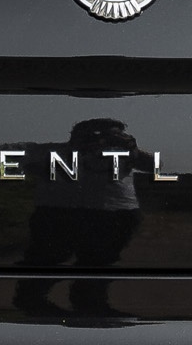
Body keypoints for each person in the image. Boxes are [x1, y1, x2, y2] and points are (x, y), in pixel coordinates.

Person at [9, 117, 144, 318]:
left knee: (99, 262)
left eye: (112, 134)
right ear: (75, 135)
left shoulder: (126, 152)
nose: (102, 139)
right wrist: (75, 153)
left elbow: (155, 166)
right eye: (95, 134)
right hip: (60, 211)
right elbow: (23, 165)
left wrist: (132, 148)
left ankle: (90, 303)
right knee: (48, 259)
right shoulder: (51, 150)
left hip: (115, 212)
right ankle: (30, 301)